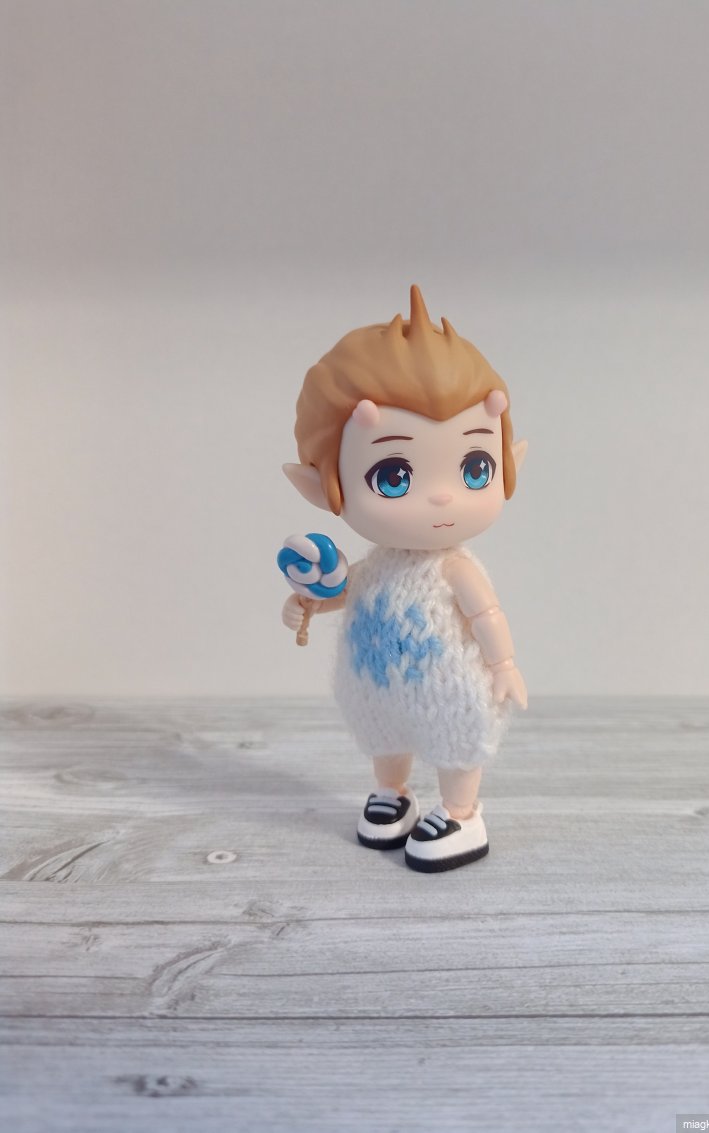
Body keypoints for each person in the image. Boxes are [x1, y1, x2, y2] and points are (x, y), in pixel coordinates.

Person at [282, 285, 528, 872]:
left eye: (475, 468)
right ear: (323, 485)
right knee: (384, 732)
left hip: (450, 682)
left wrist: (503, 665)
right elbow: (348, 591)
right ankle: (392, 793)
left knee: (455, 736)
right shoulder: (376, 566)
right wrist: (309, 604)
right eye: (394, 476)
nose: (442, 496)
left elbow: (486, 613)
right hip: (379, 680)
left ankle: (462, 813)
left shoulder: (454, 568)